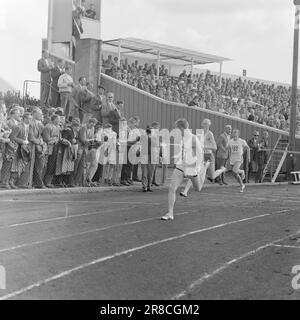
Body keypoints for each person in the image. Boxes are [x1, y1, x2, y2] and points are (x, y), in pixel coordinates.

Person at [161, 119, 211, 221]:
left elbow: (200, 154)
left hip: (192, 168)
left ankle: (205, 169)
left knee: (198, 188)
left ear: (181, 128)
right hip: (181, 166)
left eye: (176, 128)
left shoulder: (193, 138)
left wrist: (199, 167)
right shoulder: (181, 137)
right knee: (172, 188)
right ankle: (170, 213)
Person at [28, 108, 47, 189]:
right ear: (34, 114)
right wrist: (40, 142)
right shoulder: (31, 123)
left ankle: (37, 182)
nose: (41, 115)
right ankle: (36, 183)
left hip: (39, 147)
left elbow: (44, 136)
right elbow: (31, 137)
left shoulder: (40, 124)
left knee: (40, 165)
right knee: (33, 166)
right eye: (40, 113)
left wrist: (42, 143)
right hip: (31, 147)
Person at [43, 114, 61, 188]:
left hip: (56, 147)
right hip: (49, 148)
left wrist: (56, 139)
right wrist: (54, 139)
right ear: (54, 119)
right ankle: (45, 181)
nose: (59, 121)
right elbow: (46, 139)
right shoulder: (48, 127)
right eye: (58, 119)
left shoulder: (58, 127)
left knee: (53, 165)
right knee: (48, 164)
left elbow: (59, 138)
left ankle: (49, 181)